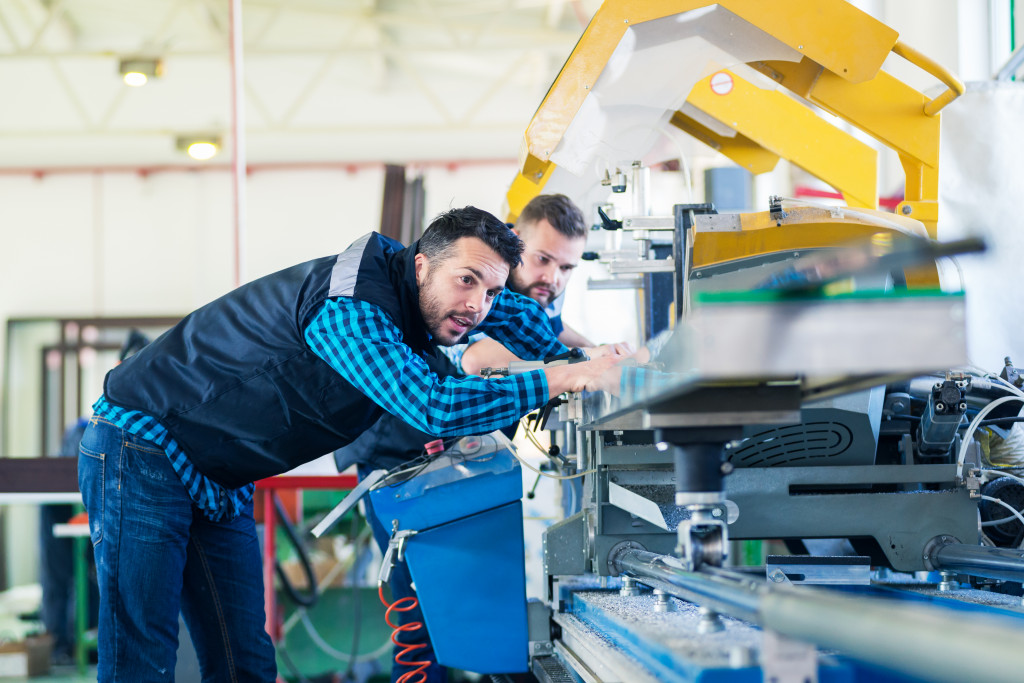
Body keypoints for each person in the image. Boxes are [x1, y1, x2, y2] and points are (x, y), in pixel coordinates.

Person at [77, 206, 618, 682]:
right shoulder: (350, 308)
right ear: (423, 263)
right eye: (468, 281)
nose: (478, 305)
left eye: (492, 289)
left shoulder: (431, 290)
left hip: (215, 474)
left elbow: (520, 316)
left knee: (244, 658)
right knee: (142, 656)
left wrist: (599, 361)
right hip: (141, 446)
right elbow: (435, 405)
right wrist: (560, 379)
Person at [454, 193, 633, 375]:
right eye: (543, 259)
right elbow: (475, 360)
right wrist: (585, 358)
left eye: (565, 267)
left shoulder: (543, 284)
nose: (552, 278)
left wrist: (600, 351)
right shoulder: (484, 271)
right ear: (515, 241)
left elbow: (548, 330)